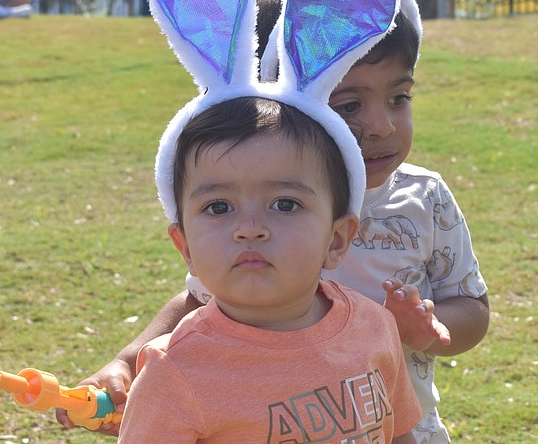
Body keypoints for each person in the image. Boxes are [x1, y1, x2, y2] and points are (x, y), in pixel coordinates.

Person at [59, 0, 490, 444]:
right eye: (348, 105)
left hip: (392, 420)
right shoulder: (253, 208)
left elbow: (471, 305)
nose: (383, 125)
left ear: (338, 237)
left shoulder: (424, 198)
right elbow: (197, 300)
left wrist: (428, 329)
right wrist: (127, 360)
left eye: (399, 98)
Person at [117, 96, 422, 443]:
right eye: (218, 207)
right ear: (185, 247)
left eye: (285, 204)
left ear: (336, 240)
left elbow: (398, 434)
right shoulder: (174, 371)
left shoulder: (375, 325)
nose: (249, 227)